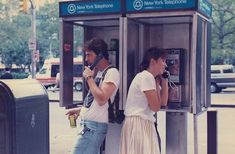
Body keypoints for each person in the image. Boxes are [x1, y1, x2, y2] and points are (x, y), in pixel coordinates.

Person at [66, 38, 120, 154]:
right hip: (88, 126)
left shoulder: (112, 72)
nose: (86, 59)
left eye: (89, 55)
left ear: (100, 55)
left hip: (94, 128)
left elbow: (102, 99)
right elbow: (95, 101)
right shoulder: (99, 72)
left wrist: (89, 78)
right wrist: (81, 110)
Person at [119, 47, 168, 154]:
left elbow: (163, 103)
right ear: (153, 61)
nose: (165, 65)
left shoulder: (150, 78)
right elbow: (156, 107)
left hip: (141, 123)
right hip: (139, 124)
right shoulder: (146, 77)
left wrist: (164, 81)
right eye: (163, 61)